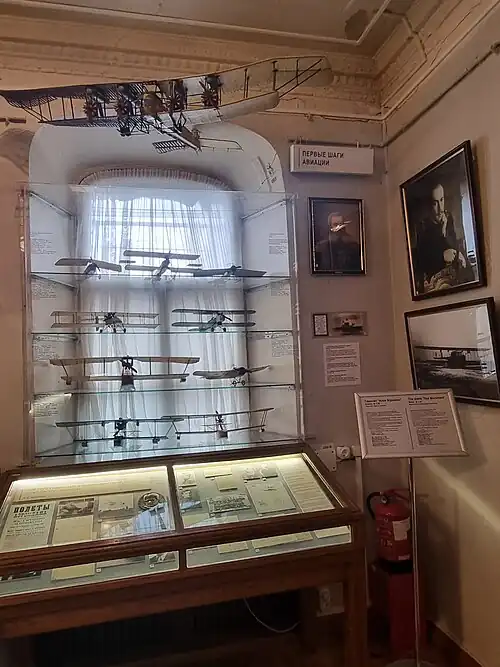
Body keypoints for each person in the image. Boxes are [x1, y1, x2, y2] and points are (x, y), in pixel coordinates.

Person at [413, 183, 474, 292]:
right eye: (435, 203)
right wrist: (442, 256)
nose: (440, 208)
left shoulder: (448, 218)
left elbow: (453, 244)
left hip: (450, 270)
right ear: (429, 205)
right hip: (435, 276)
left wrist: (445, 229)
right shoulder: (422, 226)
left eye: (441, 200)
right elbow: (421, 261)